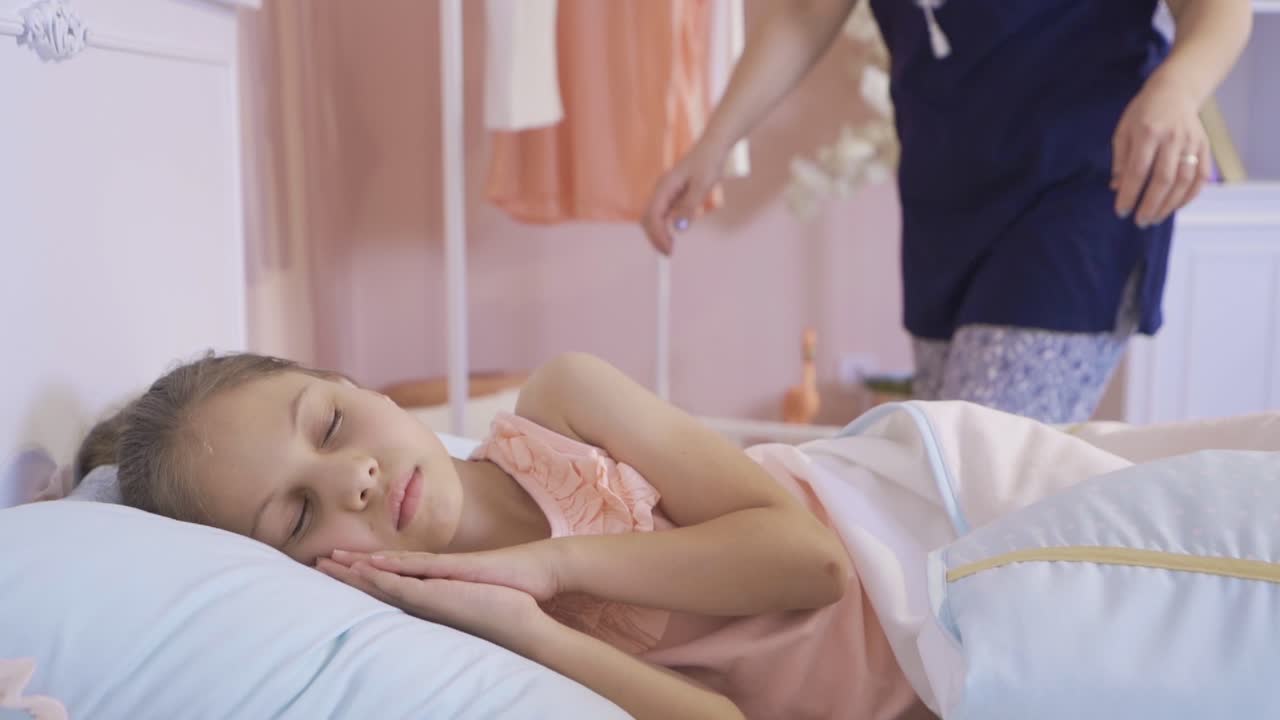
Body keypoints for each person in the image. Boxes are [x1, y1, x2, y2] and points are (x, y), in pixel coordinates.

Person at [83, 351, 1280, 719]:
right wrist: (527, 624)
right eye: (294, 513)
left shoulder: (560, 406)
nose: (348, 481)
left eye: (330, 421)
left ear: (362, 386)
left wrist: (549, 564)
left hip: (915, 521)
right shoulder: (459, 636)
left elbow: (806, 560)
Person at [642, 0, 1253, 424]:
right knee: (947, 478)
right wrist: (715, 143)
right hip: (945, 200)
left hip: (1081, 185)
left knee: (968, 475)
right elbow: (807, 13)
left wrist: (1177, 88)